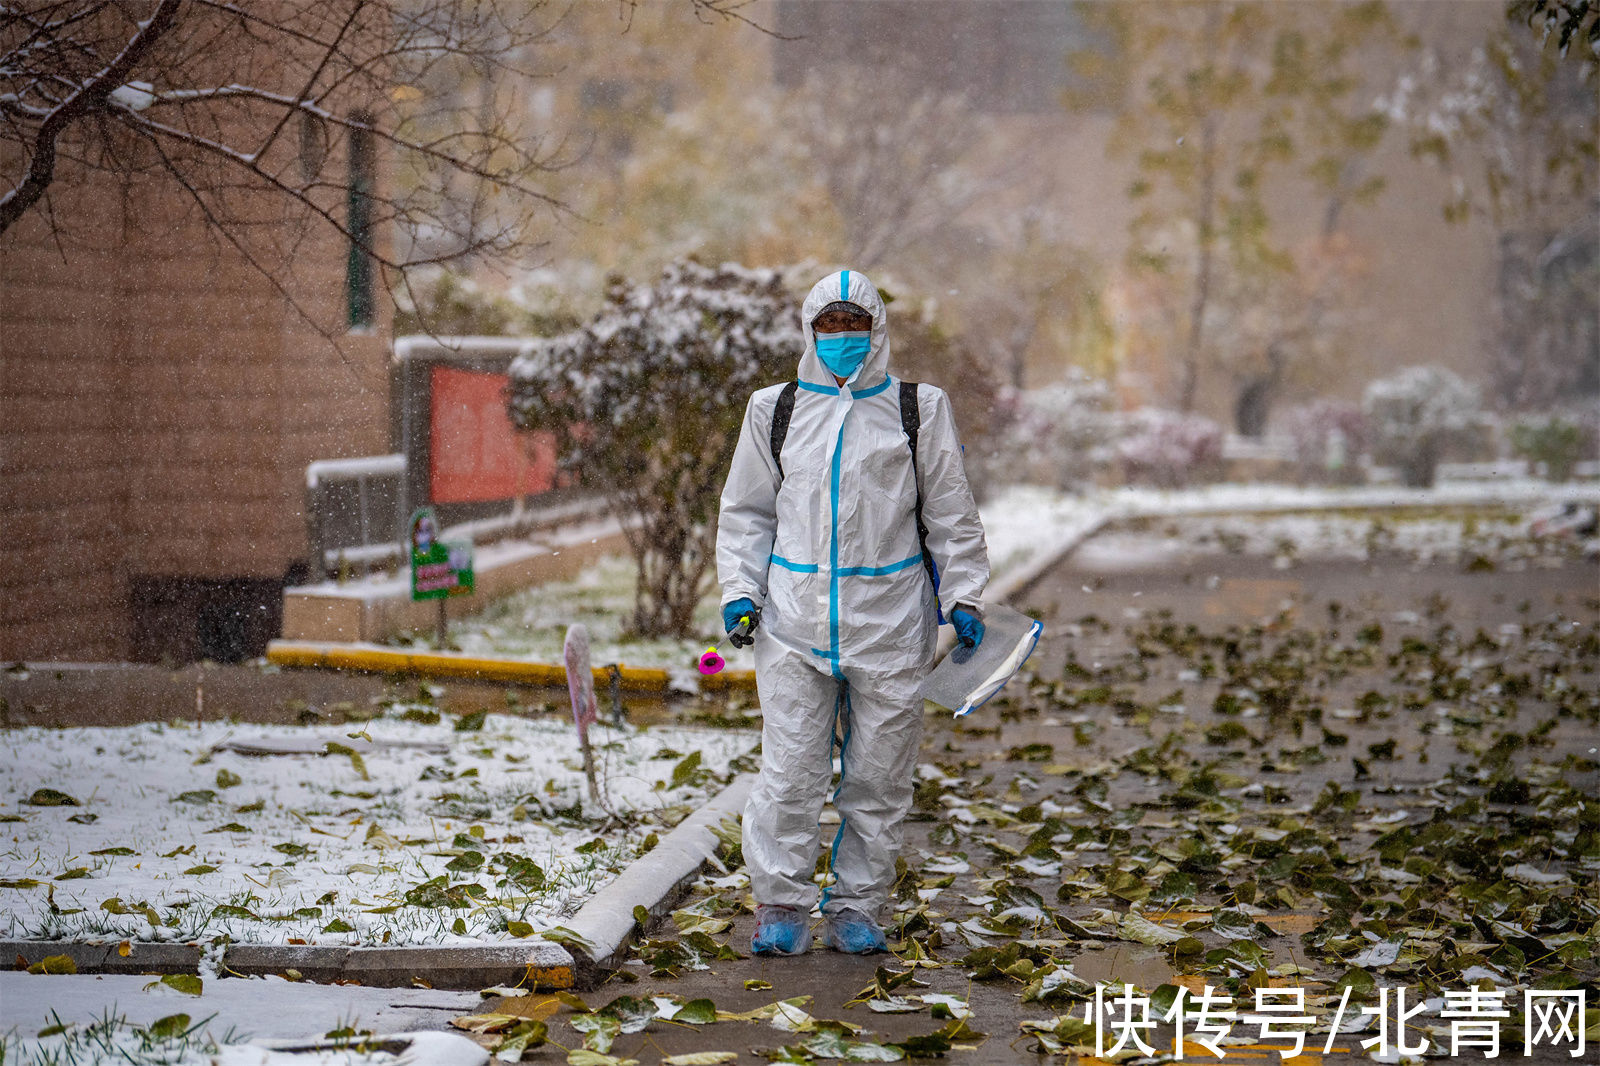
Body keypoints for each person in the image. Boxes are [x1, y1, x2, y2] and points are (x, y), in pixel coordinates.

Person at [717, 269, 989, 956]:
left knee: (878, 777)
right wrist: (740, 592)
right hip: (793, 623)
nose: (844, 339)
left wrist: (963, 595)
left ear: (877, 330)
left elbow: (951, 515)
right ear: (809, 332)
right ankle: (780, 905)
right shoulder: (773, 409)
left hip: (891, 622)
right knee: (789, 775)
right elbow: (747, 511)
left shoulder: (915, 409)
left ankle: (858, 906)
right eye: (830, 326)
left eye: (855, 325)